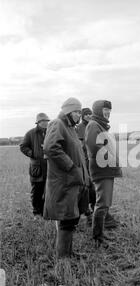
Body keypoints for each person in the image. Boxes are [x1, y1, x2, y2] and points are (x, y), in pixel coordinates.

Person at [43, 97, 89, 259]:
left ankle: (69, 252)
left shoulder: (70, 127)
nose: (79, 115)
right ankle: (63, 258)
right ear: (68, 111)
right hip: (64, 182)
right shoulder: (57, 124)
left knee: (72, 219)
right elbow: (50, 147)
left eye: (79, 112)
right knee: (66, 221)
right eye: (76, 111)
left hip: (73, 182)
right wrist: (70, 166)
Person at [85, 100, 122, 246]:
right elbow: (94, 146)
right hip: (102, 169)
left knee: (105, 203)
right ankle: (97, 237)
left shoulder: (100, 125)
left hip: (106, 169)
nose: (107, 112)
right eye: (105, 109)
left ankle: (100, 234)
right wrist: (111, 158)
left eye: (109, 110)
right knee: (102, 204)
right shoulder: (94, 125)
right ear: (98, 110)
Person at [20, 113, 50, 219]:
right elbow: (23, 146)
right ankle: (36, 212)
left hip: (49, 167)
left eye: (47, 121)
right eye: (43, 121)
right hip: (37, 168)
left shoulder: (50, 132)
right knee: (37, 191)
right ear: (38, 122)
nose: (46, 123)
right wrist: (32, 154)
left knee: (48, 191)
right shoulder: (30, 133)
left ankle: (46, 212)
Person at [76, 108, 96, 222]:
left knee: (94, 187)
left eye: (90, 114)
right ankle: (86, 210)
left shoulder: (94, 126)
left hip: (93, 160)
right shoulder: (79, 128)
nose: (88, 116)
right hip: (84, 161)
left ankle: (93, 209)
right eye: (86, 114)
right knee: (86, 187)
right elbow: (80, 145)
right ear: (82, 116)